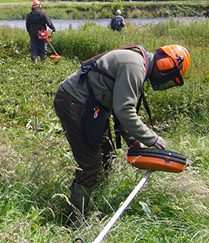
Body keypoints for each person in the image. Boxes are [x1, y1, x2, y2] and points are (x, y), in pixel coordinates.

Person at [53, 45, 190, 226]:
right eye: (169, 75)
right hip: (74, 102)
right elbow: (124, 110)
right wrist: (152, 139)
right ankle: (76, 220)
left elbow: (121, 107)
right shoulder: (135, 66)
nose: (164, 80)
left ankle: (95, 200)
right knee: (91, 165)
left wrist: (132, 140)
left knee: (108, 157)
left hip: (93, 107)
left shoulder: (138, 64)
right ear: (165, 64)